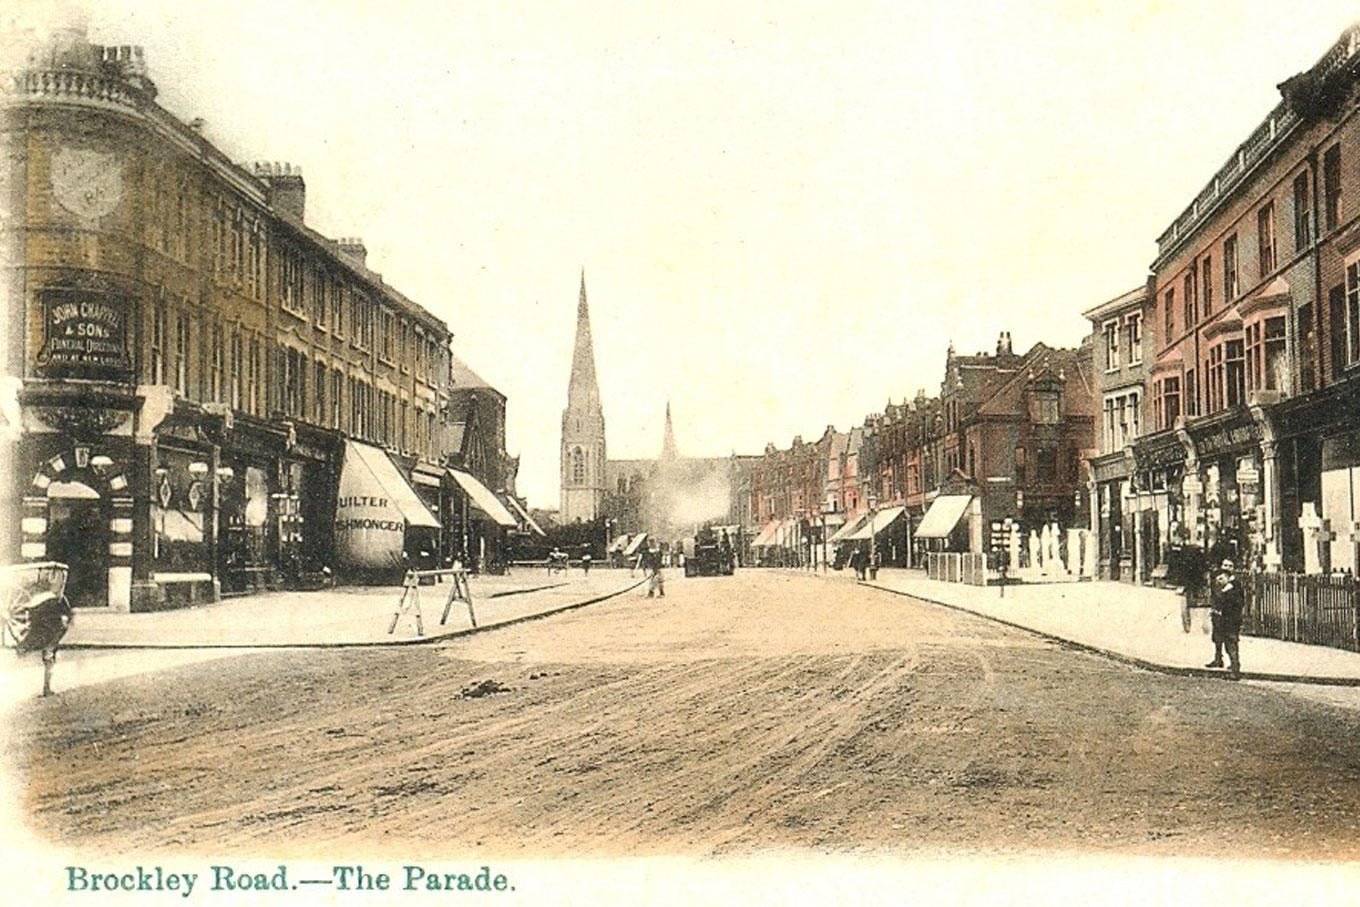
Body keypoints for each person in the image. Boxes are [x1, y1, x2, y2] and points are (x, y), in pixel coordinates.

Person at [1207, 558, 1245, 678]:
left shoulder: (1235, 586)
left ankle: (1235, 669)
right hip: (1221, 619)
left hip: (1231, 620)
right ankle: (1220, 660)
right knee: (1218, 639)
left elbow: (1237, 603)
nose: (1226, 567)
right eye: (1224, 565)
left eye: (1229, 566)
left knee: (1231, 643)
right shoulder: (1219, 583)